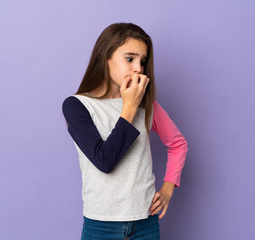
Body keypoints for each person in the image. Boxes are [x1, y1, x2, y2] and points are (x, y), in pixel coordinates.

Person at [62, 22, 188, 240]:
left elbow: (178, 144)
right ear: (106, 57)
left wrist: (167, 189)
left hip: (146, 222)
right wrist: (129, 108)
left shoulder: (147, 106)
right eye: (129, 59)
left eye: (142, 61)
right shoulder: (77, 106)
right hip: (102, 225)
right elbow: (104, 161)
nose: (138, 68)